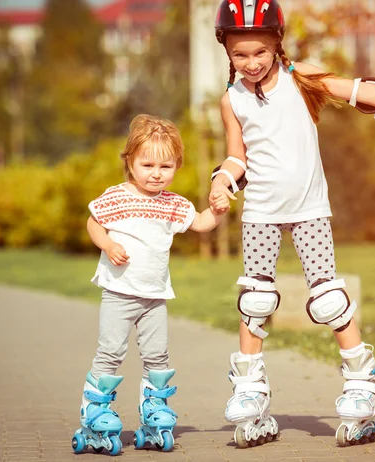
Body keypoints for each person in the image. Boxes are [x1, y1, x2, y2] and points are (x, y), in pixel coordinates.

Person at [208, 0, 375, 449]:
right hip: (260, 212)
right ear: (226, 51)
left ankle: (362, 383)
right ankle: (249, 394)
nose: (250, 63)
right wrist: (222, 180)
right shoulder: (232, 99)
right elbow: (236, 155)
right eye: (240, 55)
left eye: (260, 52)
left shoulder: (299, 78)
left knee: (327, 297)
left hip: (308, 209)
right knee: (255, 299)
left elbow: (360, 90)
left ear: (277, 45)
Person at [71, 114, 230, 456]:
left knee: (158, 355)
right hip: (119, 294)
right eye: (147, 164)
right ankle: (95, 411)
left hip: (155, 297)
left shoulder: (172, 204)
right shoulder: (117, 197)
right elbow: (93, 223)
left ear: (176, 167)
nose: (156, 173)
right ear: (129, 162)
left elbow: (202, 223)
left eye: (166, 166)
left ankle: (154, 411)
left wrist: (217, 211)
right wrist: (108, 245)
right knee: (111, 352)